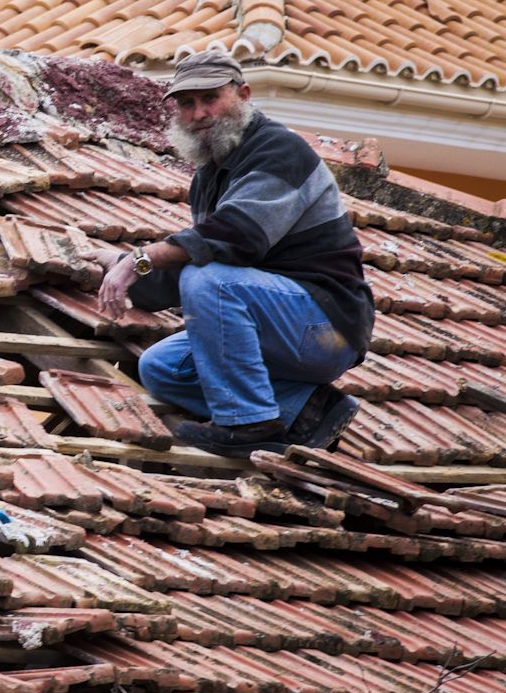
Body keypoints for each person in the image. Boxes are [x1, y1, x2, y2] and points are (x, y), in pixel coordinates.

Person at [90, 52, 375, 458]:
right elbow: (192, 260)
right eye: (187, 103)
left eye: (210, 98)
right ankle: (308, 409)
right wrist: (118, 268)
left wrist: (139, 258)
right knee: (160, 367)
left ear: (243, 94)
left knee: (209, 280)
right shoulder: (209, 177)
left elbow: (236, 236)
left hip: (327, 332)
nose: (199, 113)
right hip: (278, 332)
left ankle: (248, 424)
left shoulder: (281, 150)